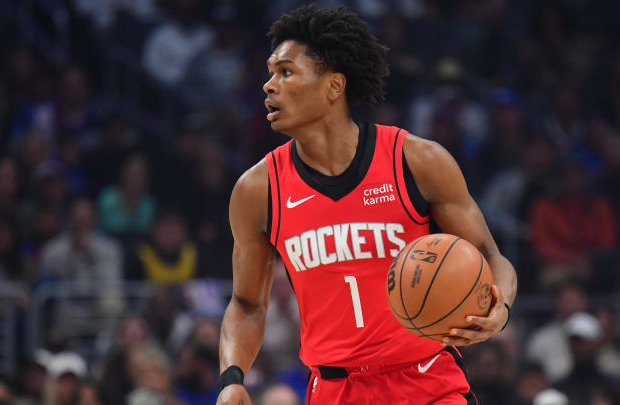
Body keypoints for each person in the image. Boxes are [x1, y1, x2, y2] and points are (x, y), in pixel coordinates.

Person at [217, 5, 517, 405]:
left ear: (334, 86)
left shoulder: (415, 160)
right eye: (270, 73)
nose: (269, 85)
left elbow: (491, 257)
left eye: (286, 72)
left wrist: (502, 308)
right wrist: (232, 378)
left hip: (428, 380)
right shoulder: (258, 190)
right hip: (335, 390)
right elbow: (247, 303)